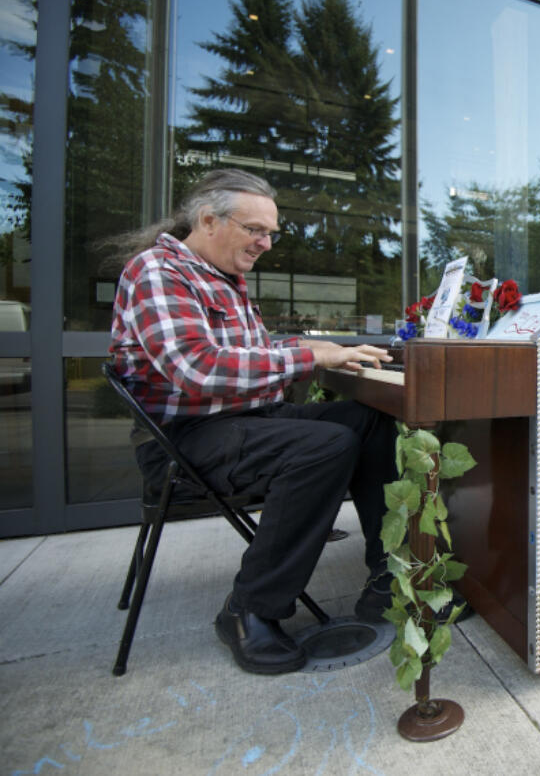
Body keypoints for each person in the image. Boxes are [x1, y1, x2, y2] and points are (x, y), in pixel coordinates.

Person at [110, 168, 399, 674]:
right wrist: (312, 359)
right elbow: (197, 369)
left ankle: (386, 577)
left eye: (271, 233)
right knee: (323, 444)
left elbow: (256, 353)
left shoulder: (225, 280)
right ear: (207, 220)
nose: (266, 243)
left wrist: (323, 349)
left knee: (368, 418)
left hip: (245, 421)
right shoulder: (157, 272)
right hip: (185, 441)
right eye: (255, 230)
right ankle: (250, 610)